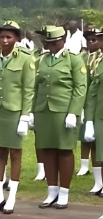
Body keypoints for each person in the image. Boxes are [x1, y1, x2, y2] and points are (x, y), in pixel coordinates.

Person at [0, 21, 35, 214]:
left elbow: (28, 90)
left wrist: (25, 117)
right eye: (2, 37)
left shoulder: (25, 59)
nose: (4, 41)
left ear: (17, 39)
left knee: (15, 154)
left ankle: (11, 196)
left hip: (14, 112)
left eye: (8, 37)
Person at [33, 26, 86, 209]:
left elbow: (80, 88)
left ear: (62, 40)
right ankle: (52, 191)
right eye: (47, 43)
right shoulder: (42, 60)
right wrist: (31, 111)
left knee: (64, 151)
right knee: (47, 150)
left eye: (53, 43)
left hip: (64, 112)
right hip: (43, 111)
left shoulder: (74, 60)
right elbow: (35, 87)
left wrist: (73, 112)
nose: (49, 46)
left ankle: (64, 193)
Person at [78, 28, 102, 176]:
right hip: (87, 102)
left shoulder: (98, 59)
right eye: (89, 40)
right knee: (85, 137)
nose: (91, 43)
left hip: (96, 103)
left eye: (95, 40)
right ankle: (84, 165)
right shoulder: (82, 57)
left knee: (97, 142)